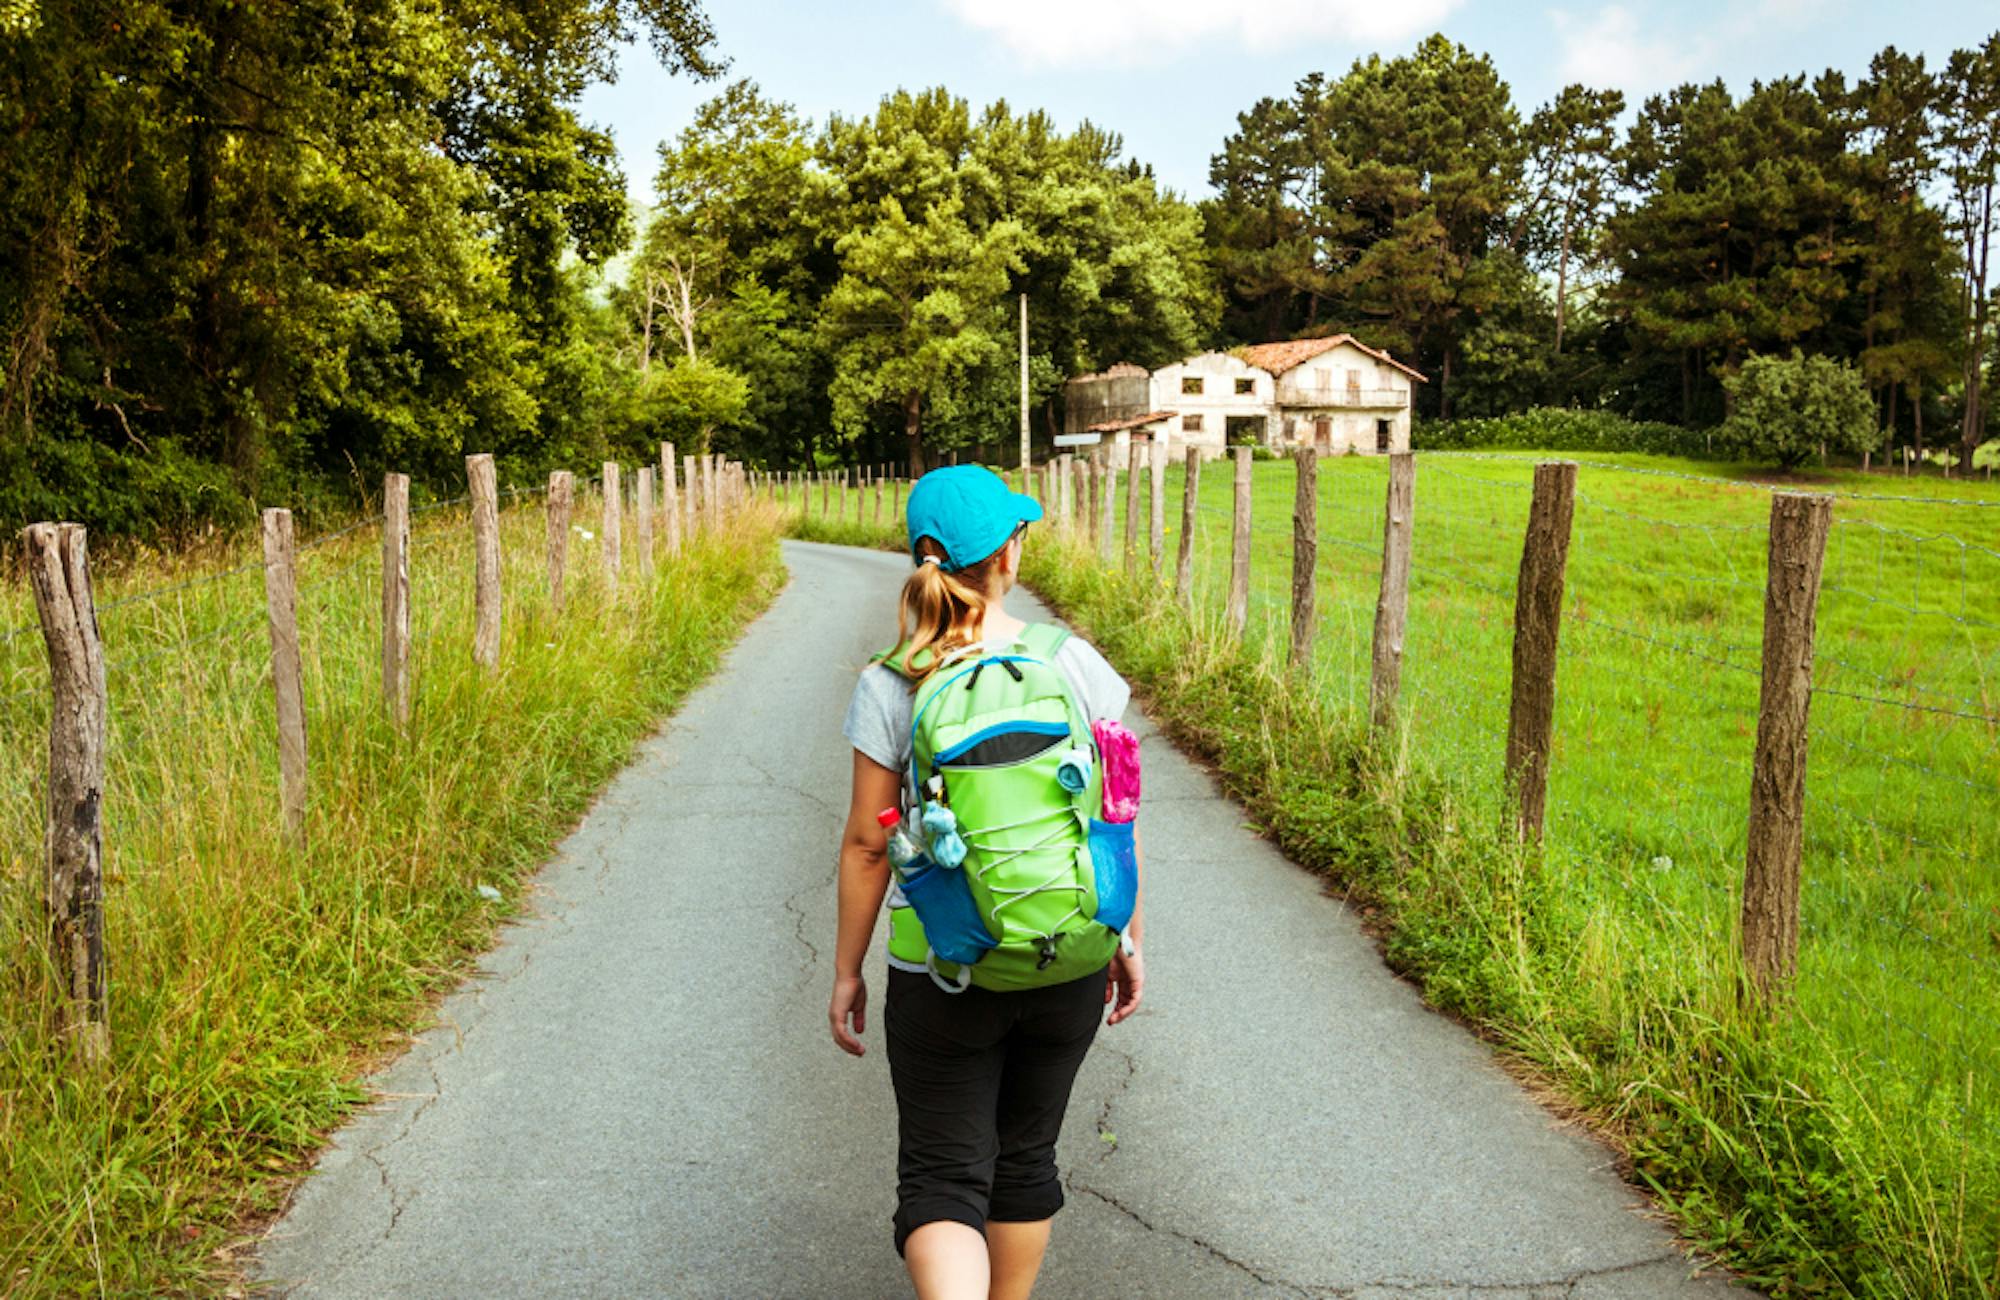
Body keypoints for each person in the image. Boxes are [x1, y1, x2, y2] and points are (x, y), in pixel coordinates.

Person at [831, 464, 1146, 1300]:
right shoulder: (1070, 661)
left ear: (922, 559)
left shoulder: (891, 680)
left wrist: (846, 972)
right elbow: (1114, 812)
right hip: (1069, 956)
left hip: (944, 964)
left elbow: (869, 843)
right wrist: (1125, 934)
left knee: (943, 1176)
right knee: (1025, 1160)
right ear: (1011, 552)